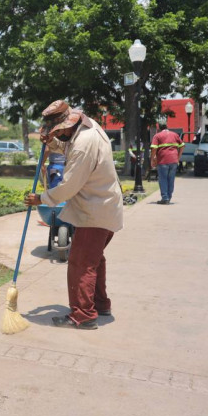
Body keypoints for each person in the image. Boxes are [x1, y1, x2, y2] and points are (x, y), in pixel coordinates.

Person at [24, 100, 124, 330]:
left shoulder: (83, 144)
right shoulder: (86, 127)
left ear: (67, 125)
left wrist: (41, 198)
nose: (58, 134)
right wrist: (54, 143)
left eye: (58, 131)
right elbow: (68, 146)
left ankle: (83, 315)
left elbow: (68, 187)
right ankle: (99, 304)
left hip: (95, 211)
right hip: (101, 206)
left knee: (81, 262)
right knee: (94, 259)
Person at [150, 123, 183, 205]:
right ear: (167, 127)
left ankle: (165, 198)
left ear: (159, 128)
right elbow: (182, 146)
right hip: (174, 160)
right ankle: (169, 197)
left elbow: (154, 149)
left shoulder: (157, 136)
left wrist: (152, 159)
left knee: (163, 179)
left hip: (163, 160)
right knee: (171, 179)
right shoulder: (175, 135)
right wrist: (178, 157)